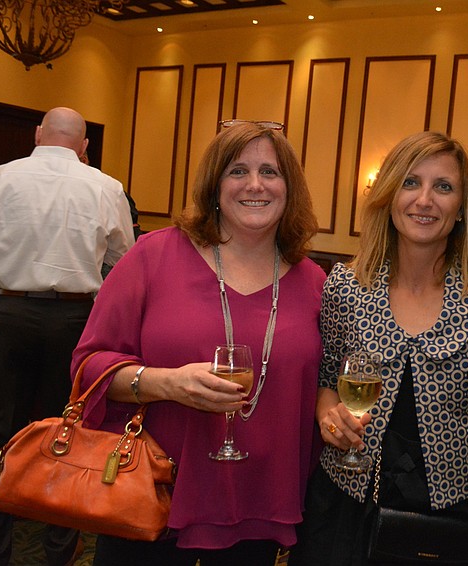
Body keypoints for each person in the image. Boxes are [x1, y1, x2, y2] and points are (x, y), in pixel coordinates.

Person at [70, 120, 325, 565]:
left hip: (259, 504)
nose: (255, 185)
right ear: (214, 186)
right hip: (151, 494)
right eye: (238, 171)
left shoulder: (315, 283)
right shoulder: (153, 256)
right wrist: (165, 383)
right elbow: (88, 365)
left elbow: (324, 387)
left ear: (290, 188)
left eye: (270, 172)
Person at [290, 131, 468, 564]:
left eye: (444, 186)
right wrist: (329, 418)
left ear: (461, 207)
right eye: (411, 182)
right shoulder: (346, 286)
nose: (425, 200)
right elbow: (327, 382)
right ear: (390, 195)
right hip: (345, 505)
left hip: (447, 514)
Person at [0, 106, 135, 566]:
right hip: (75, 322)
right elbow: (123, 264)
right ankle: (60, 551)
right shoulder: (106, 187)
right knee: (71, 433)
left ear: (38, 134)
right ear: (85, 146)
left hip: (5, 312)